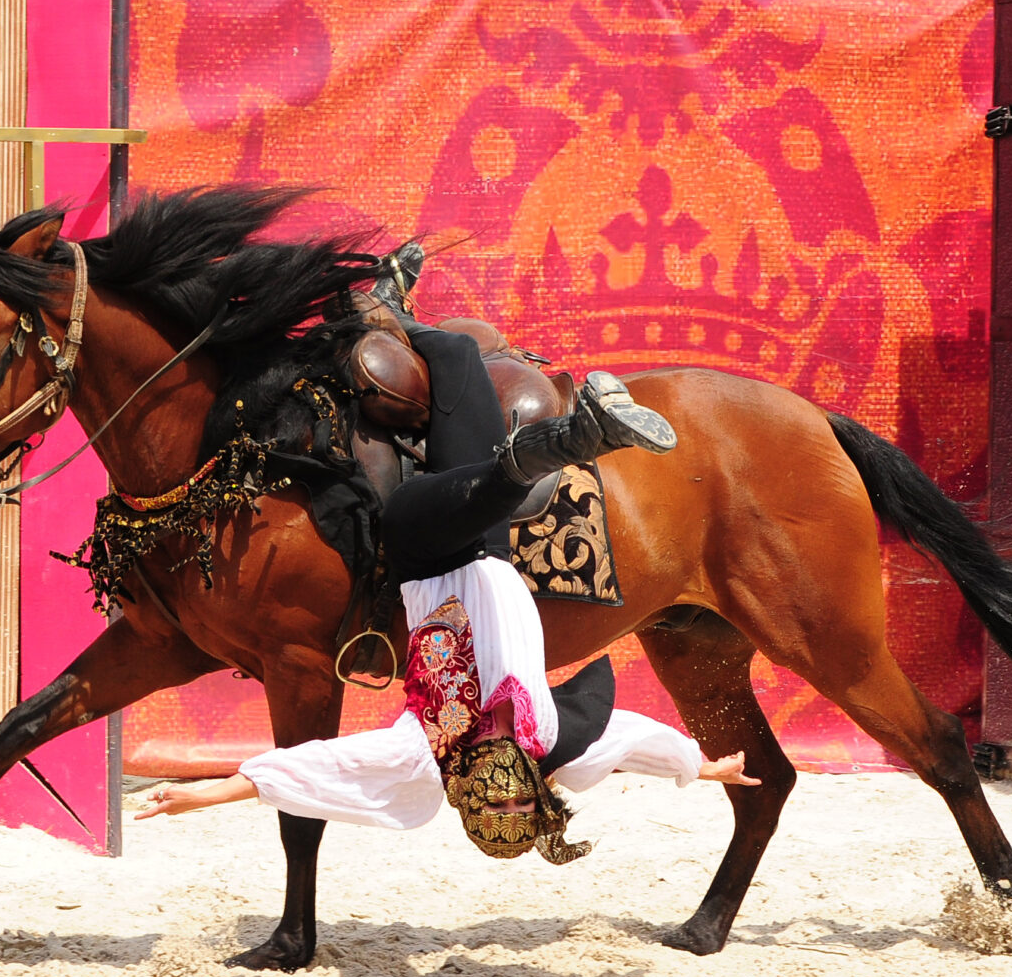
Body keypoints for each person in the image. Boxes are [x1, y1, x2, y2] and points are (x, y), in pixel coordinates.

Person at [138, 246, 758, 857]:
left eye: (496, 806)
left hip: (424, 549)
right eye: (521, 804)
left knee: (484, 489)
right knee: (459, 354)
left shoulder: (424, 746)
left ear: (465, 795)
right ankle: (393, 310)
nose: (507, 794)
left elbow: (321, 764)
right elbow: (630, 740)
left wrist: (209, 796)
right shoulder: (547, 736)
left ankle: (579, 436)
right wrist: (701, 769)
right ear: (540, 796)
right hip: (486, 551)